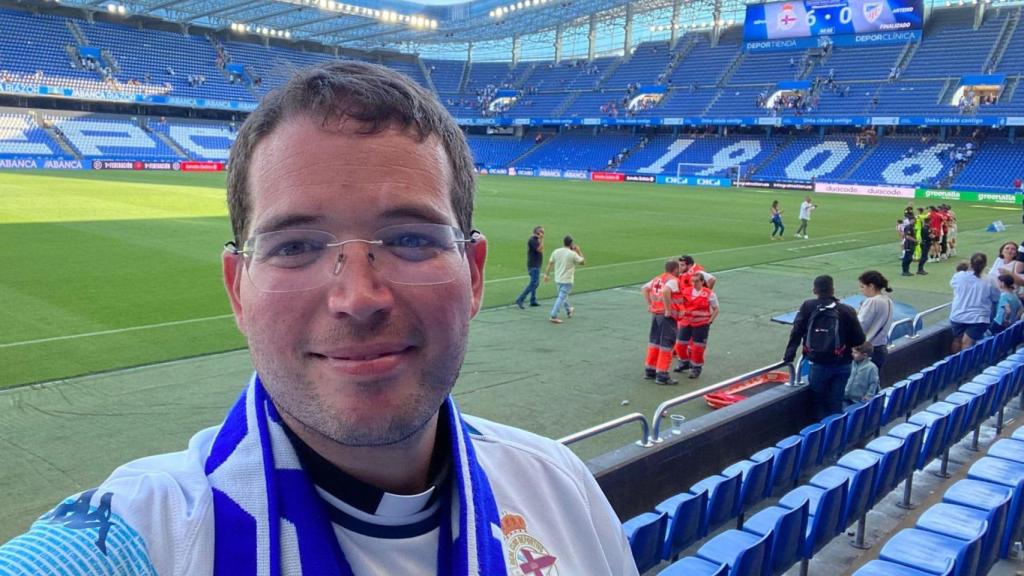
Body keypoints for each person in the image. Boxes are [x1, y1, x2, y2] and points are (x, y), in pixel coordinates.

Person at [0, 61, 638, 575]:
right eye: (295, 247)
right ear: (238, 291)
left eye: (412, 239)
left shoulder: (561, 488)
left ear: (472, 275)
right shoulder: (145, 534)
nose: (358, 297)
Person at [783, 275, 866, 419]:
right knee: (836, 401)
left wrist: (789, 355)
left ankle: (819, 433)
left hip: (818, 362)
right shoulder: (846, 310)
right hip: (842, 363)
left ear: (814, 290)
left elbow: (797, 331)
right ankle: (835, 433)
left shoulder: (808, 306)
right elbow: (859, 339)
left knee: (818, 402)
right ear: (833, 289)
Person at [950, 253, 1000, 354]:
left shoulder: (959, 276)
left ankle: (953, 365)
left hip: (958, 315)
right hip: (978, 318)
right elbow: (996, 297)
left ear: (971, 263)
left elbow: (953, 285)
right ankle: (963, 367)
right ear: (985, 265)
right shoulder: (990, 280)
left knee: (958, 340)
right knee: (967, 343)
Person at [673, 272, 719, 379]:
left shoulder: (709, 294)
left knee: (698, 348)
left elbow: (716, 309)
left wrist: (710, 321)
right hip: (686, 322)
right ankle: (684, 362)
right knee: (680, 345)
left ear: (702, 282)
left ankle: (696, 368)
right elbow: (679, 303)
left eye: (696, 281)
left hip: (701, 324)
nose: (694, 283)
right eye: (692, 281)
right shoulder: (686, 291)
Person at [642, 260, 681, 385]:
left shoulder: (657, 278)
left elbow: (644, 288)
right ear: (675, 269)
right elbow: (665, 291)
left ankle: (650, 370)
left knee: (654, 342)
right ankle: (662, 374)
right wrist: (668, 309)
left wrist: (650, 304)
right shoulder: (672, 280)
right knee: (666, 344)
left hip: (655, 314)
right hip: (665, 316)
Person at [857, 270, 894, 376]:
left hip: (870, 348)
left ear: (871, 286)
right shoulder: (887, 300)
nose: (861, 290)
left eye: (862, 287)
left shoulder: (872, 301)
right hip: (881, 346)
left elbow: (861, 324)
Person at [544, 235, 585, 324]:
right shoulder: (572, 254)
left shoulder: (556, 251)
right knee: (561, 297)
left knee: (562, 296)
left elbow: (550, 264)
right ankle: (553, 315)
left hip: (558, 279)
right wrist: (578, 251)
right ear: (571, 244)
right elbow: (582, 262)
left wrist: (546, 275)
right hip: (567, 280)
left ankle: (569, 309)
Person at [514, 225, 544, 309]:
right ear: (538, 232)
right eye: (542, 232)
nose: (543, 234)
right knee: (534, 283)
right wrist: (542, 240)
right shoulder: (533, 240)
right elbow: (540, 249)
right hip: (534, 265)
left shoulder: (536, 240)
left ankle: (533, 300)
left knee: (534, 283)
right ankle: (520, 299)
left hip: (536, 264)